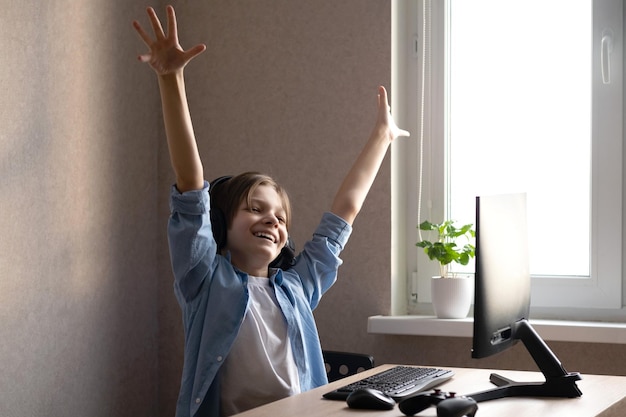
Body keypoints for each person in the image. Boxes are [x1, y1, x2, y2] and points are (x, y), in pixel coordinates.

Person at [133, 5, 410, 417]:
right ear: (222, 224)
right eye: (255, 209)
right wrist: (171, 79)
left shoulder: (297, 288)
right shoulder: (204, 282)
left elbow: (343, 215)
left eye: (280, 217)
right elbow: (191, 185)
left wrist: (381, 138)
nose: (272, 221)